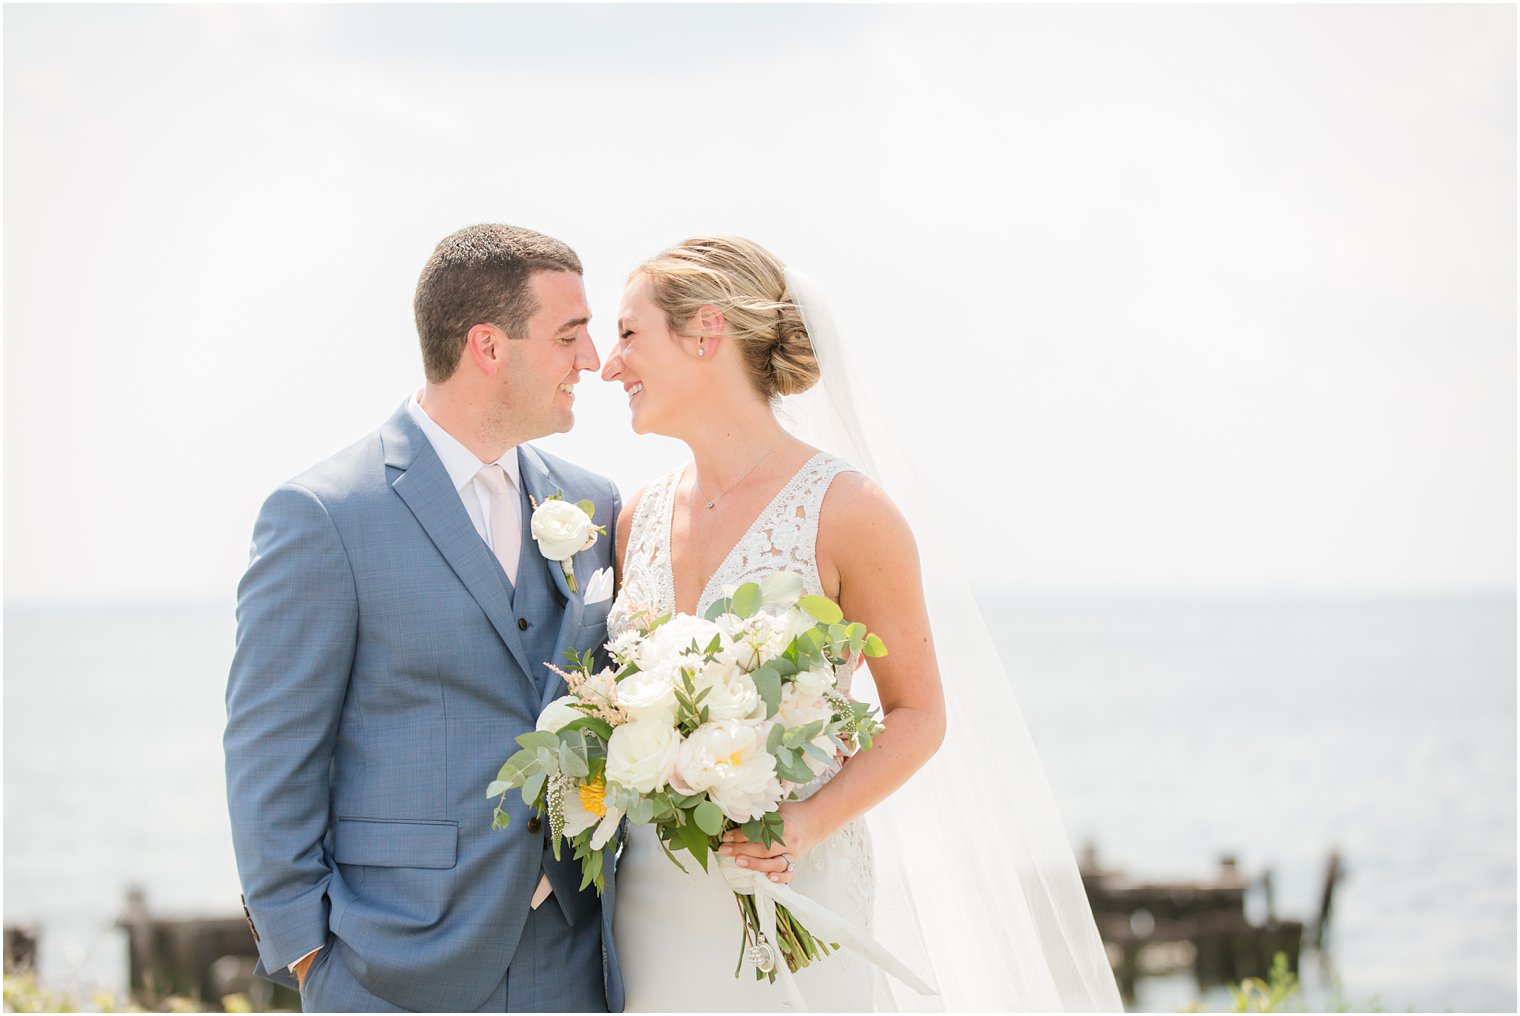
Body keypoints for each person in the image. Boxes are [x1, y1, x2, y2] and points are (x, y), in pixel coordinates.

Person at [600, 237, 1124, 1012]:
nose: (610, 364)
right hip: (649, 904)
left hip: (792, 894)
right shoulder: (635, 516)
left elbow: (918, 714)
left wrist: (805, 824)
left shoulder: (848, 512)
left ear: (705, 331)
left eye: (629, 334)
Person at [224, 224, 624, 1012]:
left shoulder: (595, 502)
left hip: (574, 959)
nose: (591, 360)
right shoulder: (325, 516)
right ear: (488, 346)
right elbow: (271, 751)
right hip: (396, 966)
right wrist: (309, 956)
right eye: (569, 335)